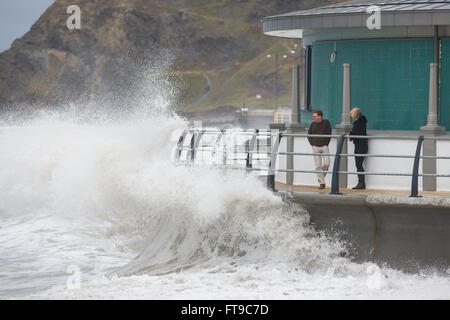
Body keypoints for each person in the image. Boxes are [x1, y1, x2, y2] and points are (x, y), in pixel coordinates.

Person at [307, 110, 332, 189]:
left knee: (327, 164)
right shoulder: (312, 124)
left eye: (315, 116)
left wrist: (326, 143)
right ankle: (322, 183)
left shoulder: (326, 122)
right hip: (315, 147)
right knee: (318, 166)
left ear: (320, 116)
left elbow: (329, 133)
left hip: (324, 146)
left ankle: (321, 178)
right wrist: (312, 144)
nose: (314, 117)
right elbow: (309, 134)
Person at [347, 107, 368, 190]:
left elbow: (358, 133)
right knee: (359, 165)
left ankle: (361, 184)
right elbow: (357, 132)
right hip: (360, 145)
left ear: (355, 114)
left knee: (359, 165)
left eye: (352, 114)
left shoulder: (359, 122)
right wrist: (351, 134)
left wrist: (351, 135)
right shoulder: (359, 122)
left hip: (360, 146)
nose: (351, 115)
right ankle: (360, 183)